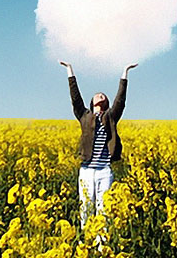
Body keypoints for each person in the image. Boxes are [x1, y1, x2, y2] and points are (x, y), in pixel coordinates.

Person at [59, 60, 138, 228]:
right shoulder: (84, 116)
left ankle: (102, 249)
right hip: (87, 171)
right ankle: (87, 246)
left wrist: (125, 73)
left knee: (104, 212)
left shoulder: (110, 117)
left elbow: (120, 101)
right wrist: (69, 70)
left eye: (104, 95)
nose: (100, 95)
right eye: (97, 94)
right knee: (86, 210)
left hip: (104, 171)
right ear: (92, 102)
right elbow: (75, 98)